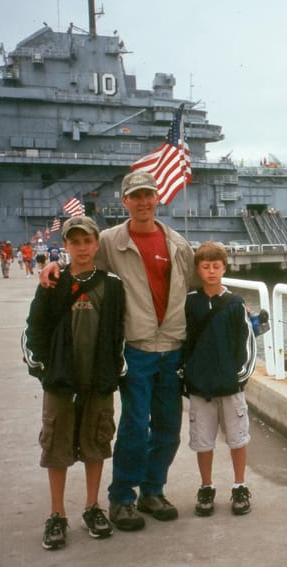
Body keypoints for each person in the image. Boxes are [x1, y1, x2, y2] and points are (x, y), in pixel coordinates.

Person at [39, 170, 197, 532]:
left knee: (168, 429)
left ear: (158, 198)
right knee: (134, 426)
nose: (143, 202)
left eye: (148, 195)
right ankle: (122, 497)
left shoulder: (177, 243)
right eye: (135, 196)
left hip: (172, 347)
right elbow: (83, 260)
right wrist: (54, 265)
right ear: (124, 201)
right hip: (136, 347)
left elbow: (197, 283)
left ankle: (152, 491)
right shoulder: (109, 241)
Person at [22, 215, 126, 550]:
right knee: (56, 447)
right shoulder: (53, 283)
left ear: (97, 244)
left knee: (96, 444)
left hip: (98, 379)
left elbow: (119, 333)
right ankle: (56, 513)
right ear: (65, 246)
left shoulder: (112, 286)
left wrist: (115, 369)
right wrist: (44, 370)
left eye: (87, 241)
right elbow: (34, 328)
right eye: (74, 241)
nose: (82, 248)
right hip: (61, 381)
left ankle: (92, 506)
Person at [183, 241, 257, 517]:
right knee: (203, 441)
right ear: (198, 269)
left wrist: (239, 377)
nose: (211, 271)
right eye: (205, 266)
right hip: (200, 386)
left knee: (238, 439)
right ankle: (206, 486)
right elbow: (184, 340)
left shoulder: (236, 304)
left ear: (224, 268)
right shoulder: (190, 303)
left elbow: (248, 343)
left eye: (216, 266)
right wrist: (186, 374)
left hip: (230, 385)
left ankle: (240, 485)